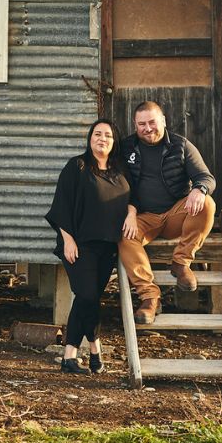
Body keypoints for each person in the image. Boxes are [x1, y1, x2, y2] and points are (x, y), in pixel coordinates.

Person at [44, 119, 138, 374]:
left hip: (108, 246)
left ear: (114, 141)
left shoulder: (120, 169)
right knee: (86, 296)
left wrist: (131, 213)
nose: (102, 139)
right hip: (80, 245)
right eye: (97, 134)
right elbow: (61, 204)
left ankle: (79, 356)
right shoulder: (77, 166)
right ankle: (85, 351)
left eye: (107, 135)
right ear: (90, 138)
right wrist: (68, 239)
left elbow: (134, 197)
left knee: (91, 299)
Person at [118, 101, 217, 324]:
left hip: (175, 215)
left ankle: (181, 263)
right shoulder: (125, 148)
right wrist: (130, 211)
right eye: (141, 124)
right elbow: (117, 184)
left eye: (152, 122)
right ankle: (150, 298)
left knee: (207, 204)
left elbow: (206, 177)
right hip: (143, 218)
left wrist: (199, 190)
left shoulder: (180, 146)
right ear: (135, 125)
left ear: (163, 121)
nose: (147, 128)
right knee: (123, 236)